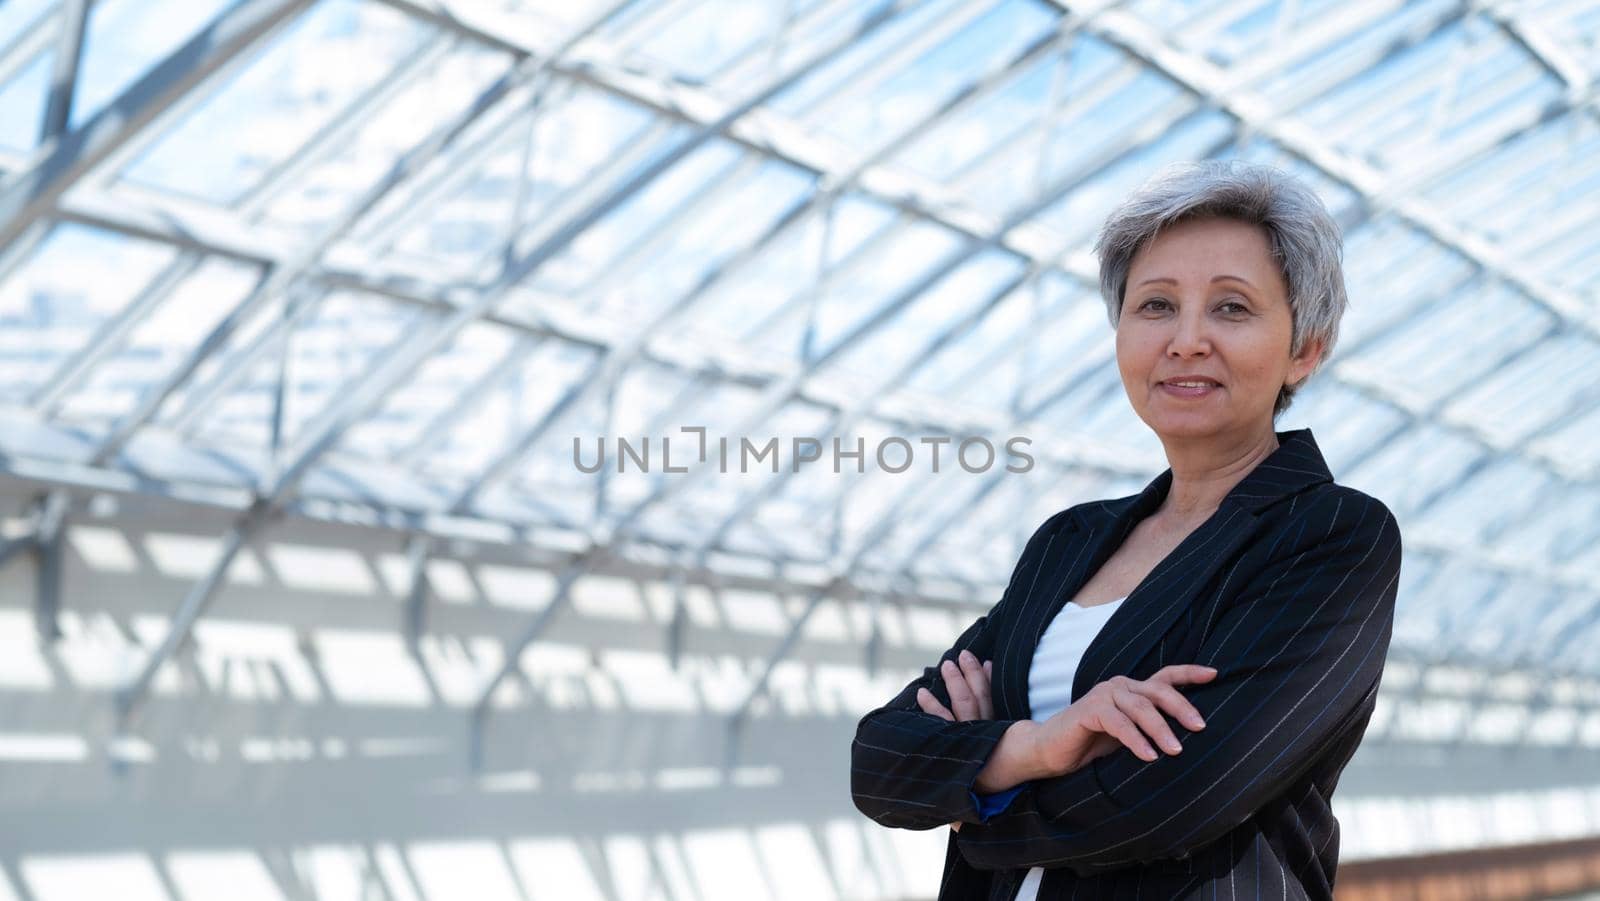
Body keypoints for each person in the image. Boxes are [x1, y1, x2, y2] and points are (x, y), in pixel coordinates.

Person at [850, 159, 1403, 900]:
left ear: (1305, 347)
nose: (1186, 339)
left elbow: (1177, 797)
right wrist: (1039, 744)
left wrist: (972, 798)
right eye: (1155, 305)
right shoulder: (1068, 542)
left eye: (1232, 308)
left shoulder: (1332, 536)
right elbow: (882, 760)